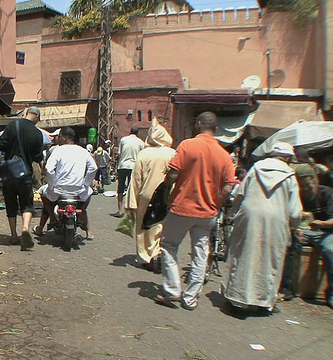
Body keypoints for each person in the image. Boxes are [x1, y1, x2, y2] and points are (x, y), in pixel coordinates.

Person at [154, 111, 235, 310]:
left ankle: (172, 290)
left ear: (199, 124)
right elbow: (227, 188)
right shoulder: (224, 155)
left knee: (170, 246)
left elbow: (172, 175)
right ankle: (190, 298)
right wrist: (216, 203)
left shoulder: (187, 145)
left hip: (182, 207)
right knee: (200, 253)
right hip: (207, 212)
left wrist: (164, 188)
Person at [222, 142, 302, 315]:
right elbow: (295, 212)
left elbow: (239, 194)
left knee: (244, 256)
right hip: (276, 220)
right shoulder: (290, 176)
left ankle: (237, 299)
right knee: (269, 259)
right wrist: (296, 226)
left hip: (249, 216)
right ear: (287, 158)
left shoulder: (256, 168)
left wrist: (235, 214)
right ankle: (262, 302)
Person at [125, 119, 176, 272]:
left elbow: (136, 179)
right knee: (161, 225)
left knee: (144, 227)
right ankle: (158, 252)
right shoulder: (172, 153)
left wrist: (131, 202)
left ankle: (146, 257)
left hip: (146, 196)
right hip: (167, 195)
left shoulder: (144, 154)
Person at [0, 107, 45, 250]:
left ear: (26, 114)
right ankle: (25, 228)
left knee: (10, 202)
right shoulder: (37, 133)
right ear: (37, 117)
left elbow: (1, 145)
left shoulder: (13, 125)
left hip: (9, 173)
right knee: (26, 202)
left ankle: (13, 235)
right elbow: (38, 157)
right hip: (25, 173)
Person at [42, 127, 97, 239]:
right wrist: (86, 183)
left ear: (65, 138)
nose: (58, 139)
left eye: (60, 137)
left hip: (59, 190)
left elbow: (49, 168)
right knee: (89, 194)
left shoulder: (58, 150)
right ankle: (81, 215)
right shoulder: (82, 151)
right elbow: (93, 168)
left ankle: (52, 218)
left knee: (43, 194)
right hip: (78, 190)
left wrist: (52, 184)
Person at [292, 164, 333, 309]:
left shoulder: (326, 193)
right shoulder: (299, 195)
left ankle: (331, 294)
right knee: (290, 243)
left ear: (314, 180)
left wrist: (322, 223)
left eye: (308, 184)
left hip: (326, 231)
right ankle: (290, 287)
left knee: (330, 250)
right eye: (302, 186)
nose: (305, 188)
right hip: (307, 231)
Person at [111, 126, 145, 218]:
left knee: (120, 189)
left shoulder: (123, 140)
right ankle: (131, 210)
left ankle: (119, 210)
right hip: (134, 167)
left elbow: (120, 153)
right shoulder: (141, 143)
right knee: (133, 189)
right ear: (137, 133)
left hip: (122, 166)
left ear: (130, 131)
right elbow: (141, 157)